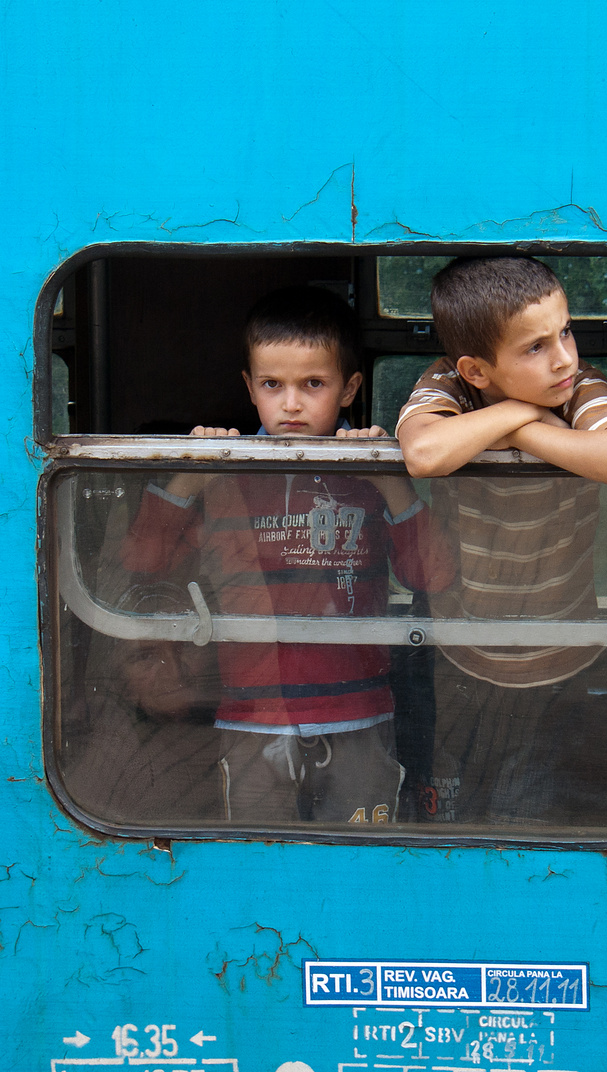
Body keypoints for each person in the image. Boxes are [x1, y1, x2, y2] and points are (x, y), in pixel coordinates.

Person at [121, 287, 454, 824]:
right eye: (273, 385)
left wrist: (385, 478)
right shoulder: (228, 473)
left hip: (358, 712)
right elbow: (144, 560)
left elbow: (433, 576)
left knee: (361, 856)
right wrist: (192, 470)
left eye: (313, 384)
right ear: (249, 387)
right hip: (252, 712)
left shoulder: (367, 473)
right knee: (256, 856)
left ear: (349, 389)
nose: (291, 403)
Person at [395, 256, 607, 824]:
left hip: (557, 659)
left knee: (524, 816)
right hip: (461, 655)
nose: (564, 356)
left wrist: (522, 429)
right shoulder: (449, 385)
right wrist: (522, 414)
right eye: (534, 347)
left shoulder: (577, 387)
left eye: (564, 331)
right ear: (477, 371)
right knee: (450, 813)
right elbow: (423, 453)